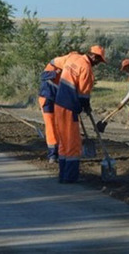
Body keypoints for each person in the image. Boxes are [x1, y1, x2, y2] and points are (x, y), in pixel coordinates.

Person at [54, 45, 106, 183]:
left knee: (64, 143)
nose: (97, 64)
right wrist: (86, 107)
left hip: (58, 104)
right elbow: (83, 94)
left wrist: (82, 106)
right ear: (94, 56)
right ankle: (70, 178)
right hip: (69, 106)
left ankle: (63, 175)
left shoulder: (73, 57)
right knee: (73, 144)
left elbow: (56, 63)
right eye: (98, 61)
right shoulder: (86, 68)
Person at [38, 52, 78, 163]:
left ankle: (62, 152)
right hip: (47, 98)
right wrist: (55, 73)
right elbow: (43, 75)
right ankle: (52, 154)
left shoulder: (72, 70)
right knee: (51, 126)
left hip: (60, 100)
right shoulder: (54, 65)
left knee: (60, 125)